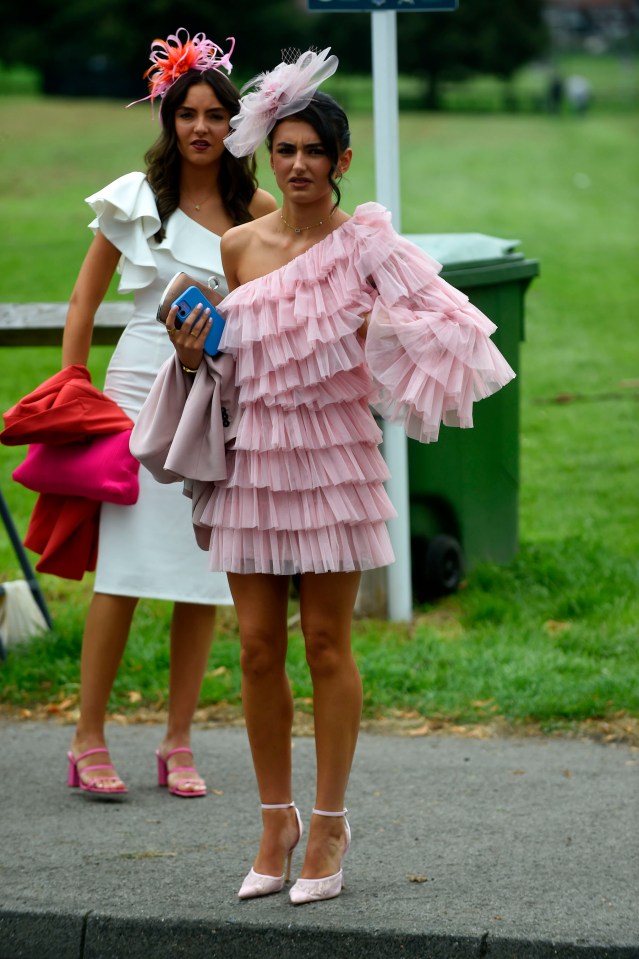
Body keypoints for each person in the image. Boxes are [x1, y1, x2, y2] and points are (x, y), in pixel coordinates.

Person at [139, 47, 515, 900]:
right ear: (266, 153)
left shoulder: (366, 243)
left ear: (342, 162)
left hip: (336, 458)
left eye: (315, 151)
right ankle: (275, 820)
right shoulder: (237, 248)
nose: (298, 164)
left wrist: (389, 351)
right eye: (285, 149)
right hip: (253, 462)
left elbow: (452, 331)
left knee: (325, 642)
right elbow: (232, 367)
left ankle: (332, 821)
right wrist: (194, 356)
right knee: (261, 647)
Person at [62, 29, 277, 799]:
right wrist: (73, 386)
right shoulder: (133, 197)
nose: (199, 128)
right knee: (121, 573)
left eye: (215, 115)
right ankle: (87, 736)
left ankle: (177, 739)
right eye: (186, 113)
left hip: (215, 402)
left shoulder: (255, 207)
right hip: (134, 395)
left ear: (233, 125)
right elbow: (84, 301)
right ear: (168, 119)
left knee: (199, 578)